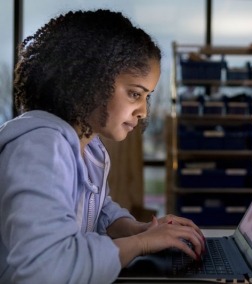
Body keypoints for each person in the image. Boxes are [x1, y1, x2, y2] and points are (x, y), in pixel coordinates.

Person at [0, 9, 205, 284]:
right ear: (89, 81)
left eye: (147, 97)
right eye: (134, 94)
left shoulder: (90, 148)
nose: (143, 111)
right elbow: (44, 269)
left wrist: (140, 229)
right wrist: (142, 244)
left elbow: (96, 213)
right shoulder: (41, 148)